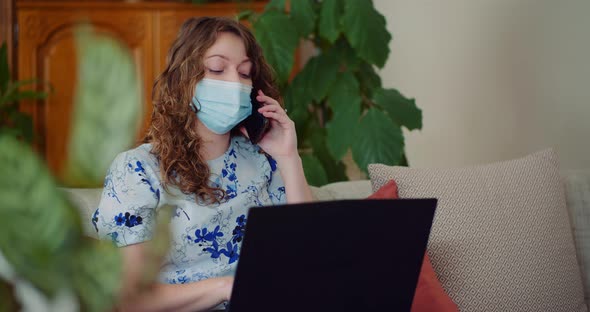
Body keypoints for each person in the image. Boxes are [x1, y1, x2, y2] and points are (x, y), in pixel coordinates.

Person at [92, 16, 313, 312]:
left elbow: (312, 251)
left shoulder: (263, 160)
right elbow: (130, 299)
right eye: (217, 69)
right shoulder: (137, 170)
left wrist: (289, 157)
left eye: (245, 72)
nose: (235, 82)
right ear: (184, 79)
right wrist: (226, 287)